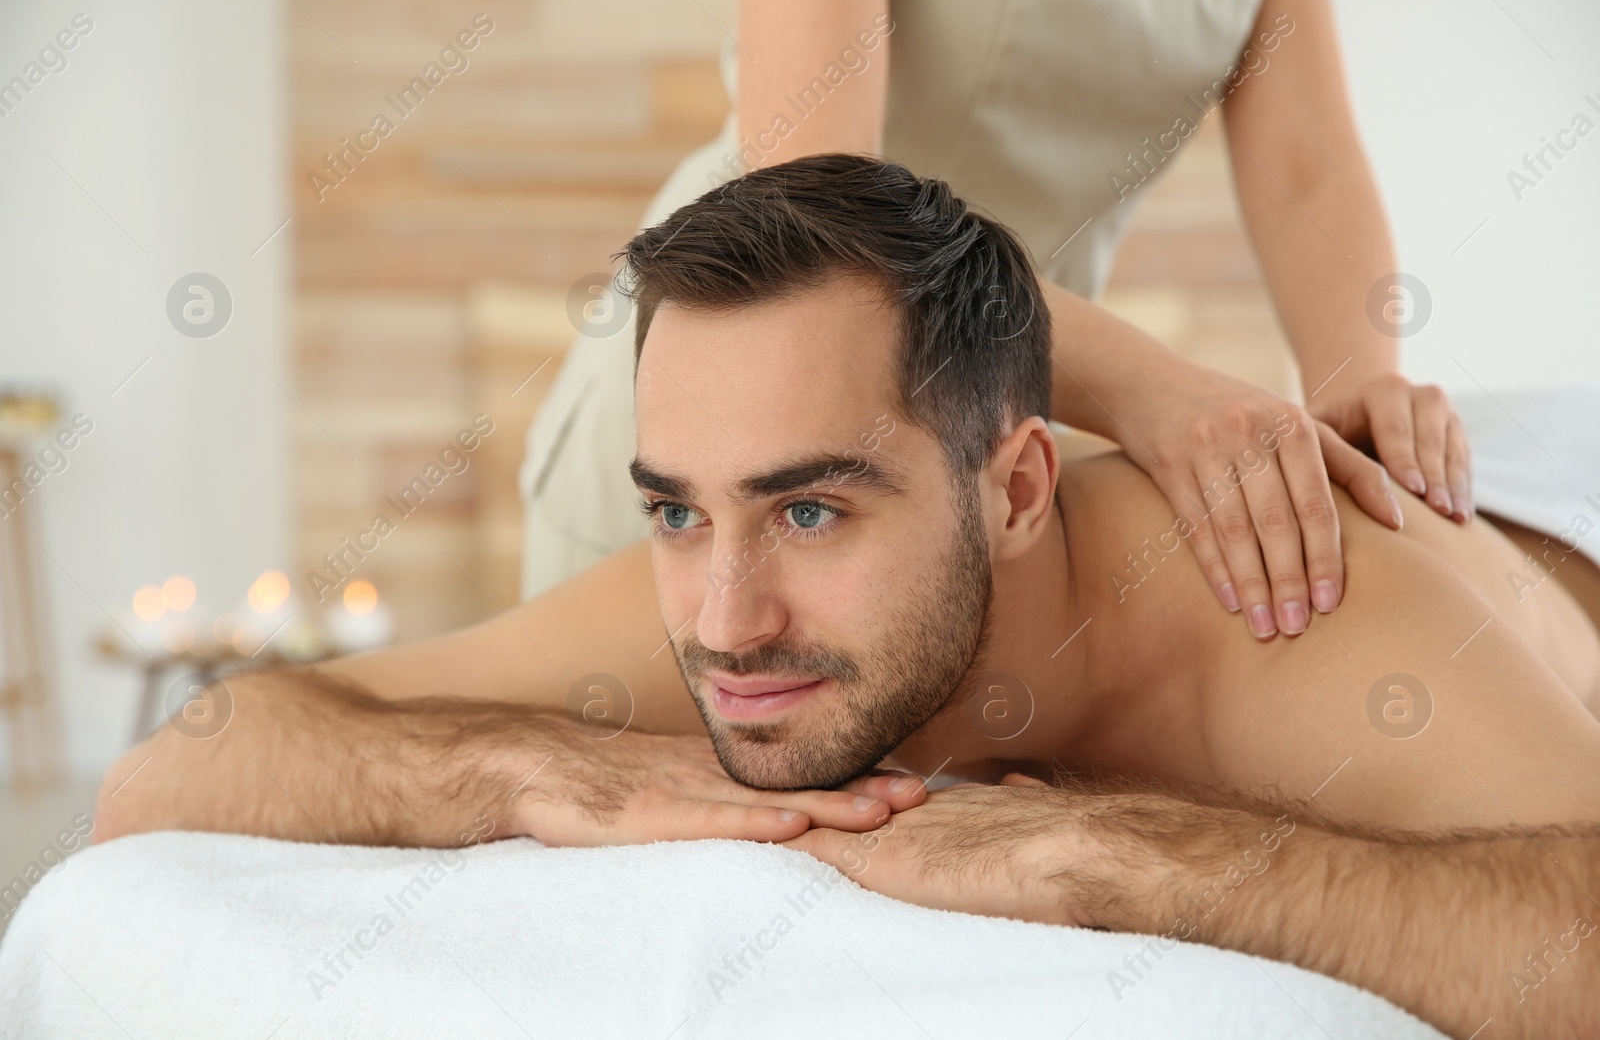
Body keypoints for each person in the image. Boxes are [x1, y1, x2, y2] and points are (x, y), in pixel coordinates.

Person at [98, 157, 1599, 1039]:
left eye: (812, 507)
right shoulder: (729, 591)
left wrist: (1122, 855)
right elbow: (180, 761)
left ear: (1017, 489)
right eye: (679, 508)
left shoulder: (1305, 612)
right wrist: (517, 766)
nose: (726, 622)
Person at [521, 0, 1475, 644]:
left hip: (996, 400)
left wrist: (1363, 386)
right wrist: (1160, 392)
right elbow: (817, 195)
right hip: (738, 390)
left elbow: (1309, 174)